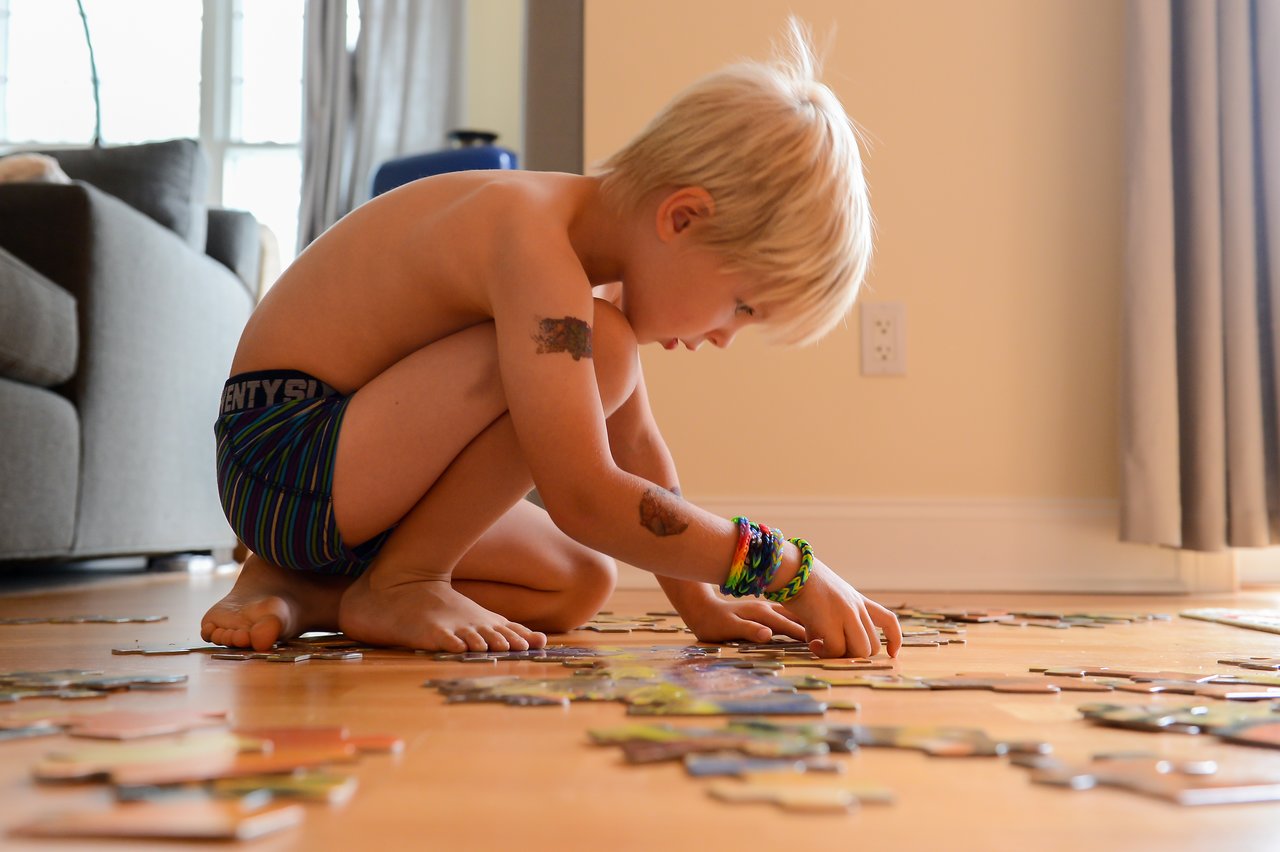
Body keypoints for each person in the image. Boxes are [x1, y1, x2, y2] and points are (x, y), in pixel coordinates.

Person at [202, 19, 902, 660]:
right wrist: (783, 567)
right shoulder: (538, 250)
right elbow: (585, 496)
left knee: (578, 582)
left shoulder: (582, 281)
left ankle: (303, 590)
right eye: (742, 306)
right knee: (608, 354)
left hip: (352, 483)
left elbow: (637, 452)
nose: (724, 337)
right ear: (682, 218)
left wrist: (702, 600)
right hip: (286, 451)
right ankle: (405, 581)